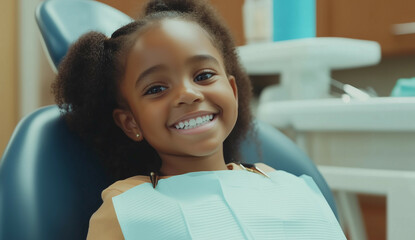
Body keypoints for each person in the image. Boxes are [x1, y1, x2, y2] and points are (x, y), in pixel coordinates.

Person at [53, 0, 346, 239]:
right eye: (156, 89)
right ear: (131, 123)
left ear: (232, 90)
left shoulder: (285, 185)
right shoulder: (125, 209)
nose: (188, 94)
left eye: (203, 76)